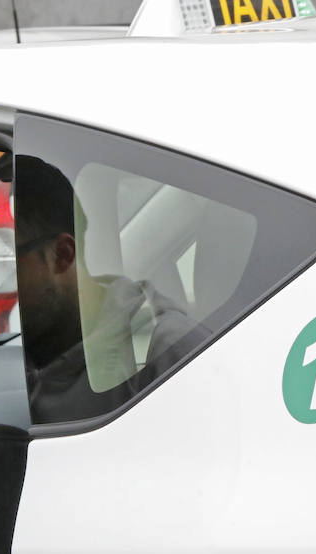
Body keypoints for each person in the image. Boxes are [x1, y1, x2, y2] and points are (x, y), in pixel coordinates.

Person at [13, 155, 195, 422]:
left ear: (62, 255)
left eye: (10, 261)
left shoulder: (166, 352)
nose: (4, 289)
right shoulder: (31, 357)